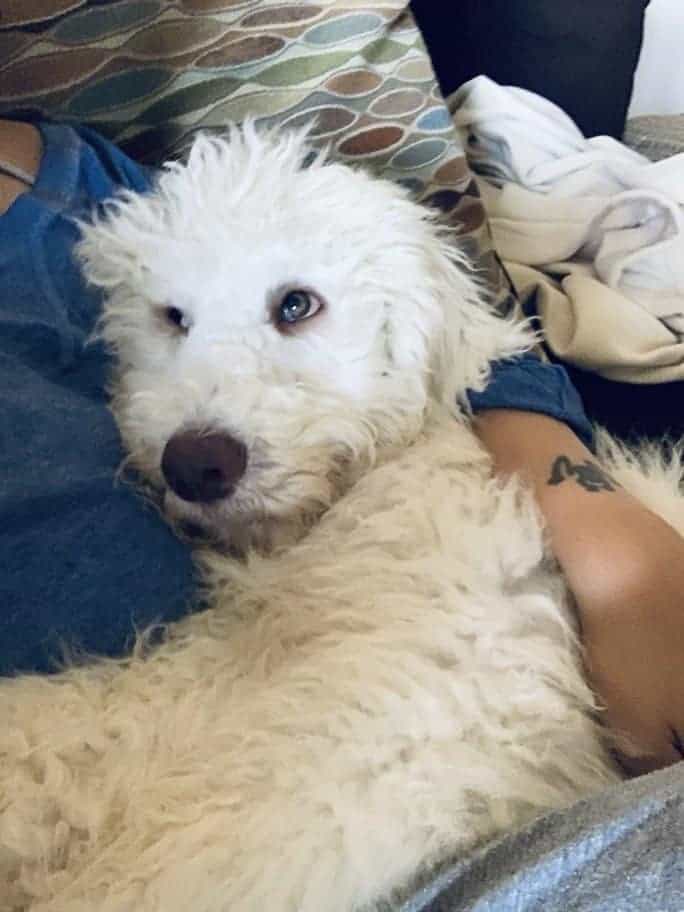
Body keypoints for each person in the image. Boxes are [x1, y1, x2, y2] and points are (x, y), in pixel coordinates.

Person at [0, 118, 682, 775]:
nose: (202, 406)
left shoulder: (100, 191)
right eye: (176, 320)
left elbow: (479, 348)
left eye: (295, 308)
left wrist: (610, 549)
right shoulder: (136, 243)